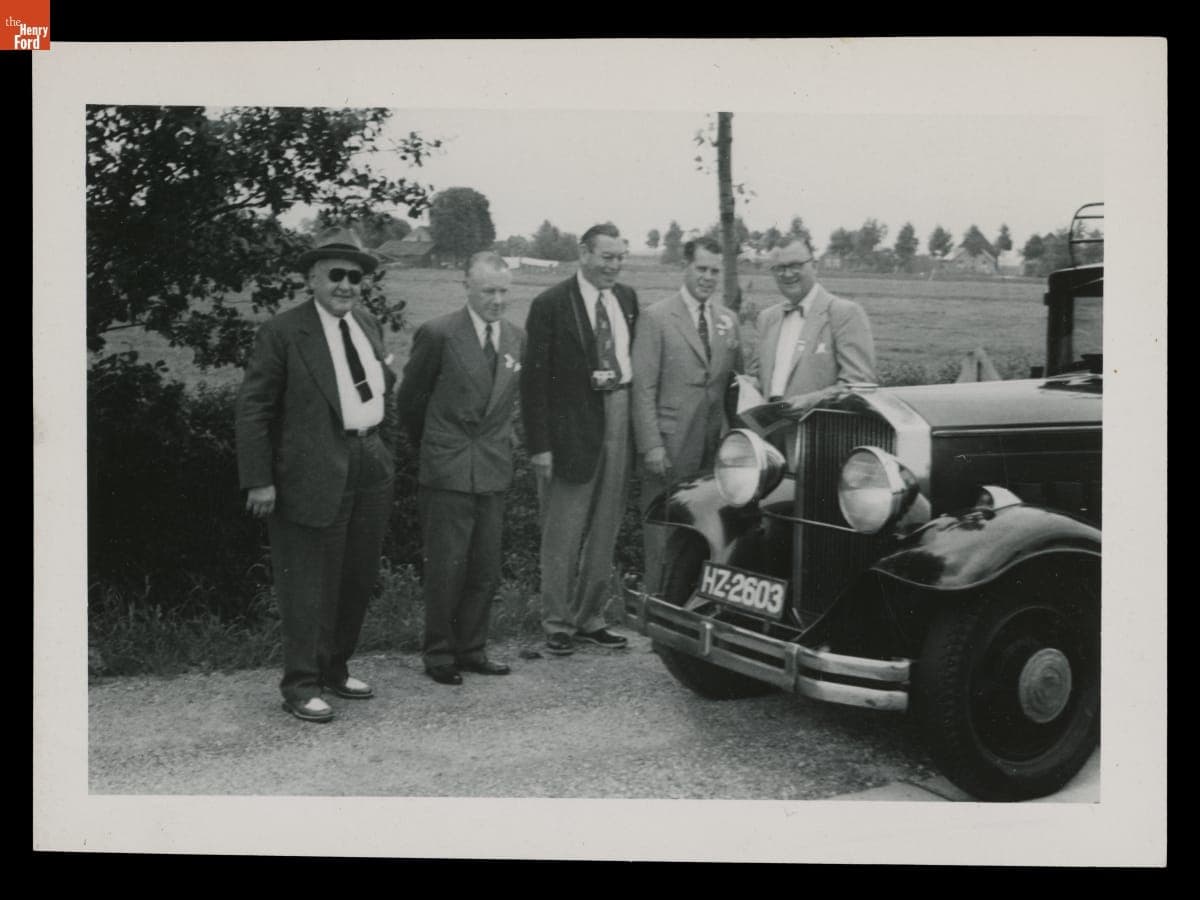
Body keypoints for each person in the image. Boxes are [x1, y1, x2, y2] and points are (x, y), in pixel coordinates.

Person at [235, 227, 396, 723]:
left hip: (369, 461)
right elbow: (254, 409)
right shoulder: (283, 332)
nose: (347, 285)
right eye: (336, 275)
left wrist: (383, 446)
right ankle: (300, 685)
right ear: (312, 278)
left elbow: (380, 386)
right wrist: (258, 479)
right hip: (309, 470)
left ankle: (335, 668)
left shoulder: (366, 324)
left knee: (355, 575)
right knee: (306, 583)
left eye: (355, 276)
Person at [396, 252, 525, 686]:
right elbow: (409, 402)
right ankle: (439, 654)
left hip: (491, 466)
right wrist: (437, 447)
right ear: (466, 286)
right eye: (488, 290)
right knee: (447, 564)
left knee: (484, 566)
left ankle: (472, 648)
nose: (497, 299)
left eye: (504, 290)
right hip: (448, 465)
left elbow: (507, 405)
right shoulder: (438, 334)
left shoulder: (514, 338)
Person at [520, 223, 639, 656]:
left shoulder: (626, 299)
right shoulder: (550, 304)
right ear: (584, 254)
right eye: (607, 257)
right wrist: (540, 445)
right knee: (564, 529)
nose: (615, 265)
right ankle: (557, 622)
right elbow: (533, 382)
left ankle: (590, 616)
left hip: (619, 413)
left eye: (620, 257)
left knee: (606, 526)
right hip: (571, 426)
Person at [631, 237, 742, 594]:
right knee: (663, 539)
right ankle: (657, 617)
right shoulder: (656, 317)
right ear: (686, 268)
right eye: (701, 269)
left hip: (712, 451)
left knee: (706, 538)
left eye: (714, 270)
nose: (708, 277)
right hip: (669, 448)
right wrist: (651, 446)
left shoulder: (728, 321)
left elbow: (734, 387)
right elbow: (643, 388)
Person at [750, 235, 876, 409]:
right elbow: (757, 378)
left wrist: (812, 401)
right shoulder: (766, 318)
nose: (787, 274)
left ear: (814, 266)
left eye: (795, 265)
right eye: (779, 268)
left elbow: (859, 385)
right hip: (768, 433)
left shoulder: (844, 313)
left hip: (819, 430)